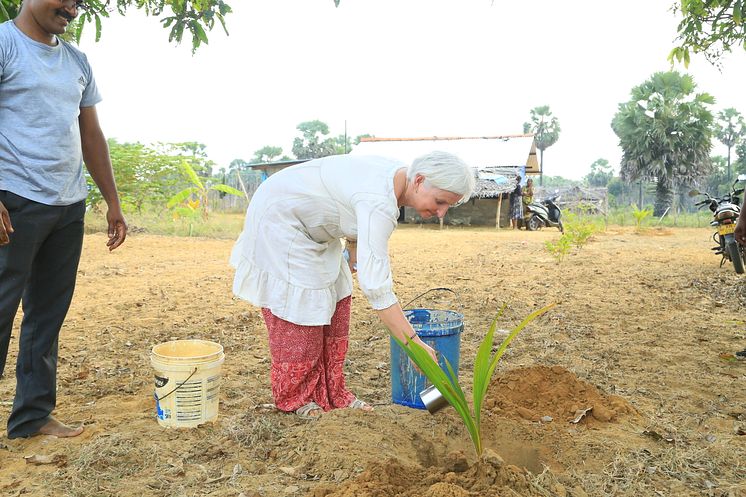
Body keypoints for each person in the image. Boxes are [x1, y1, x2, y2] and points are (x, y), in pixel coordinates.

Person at [230, 151, 475, 419]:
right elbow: (377, 288)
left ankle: (333, 393)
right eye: (440, 201)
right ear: (419, 181)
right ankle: (297, 398)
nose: (441, 213)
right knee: (303, 308)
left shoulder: (396, 177)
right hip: (280, 218)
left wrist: (354, 245)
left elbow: (346, 195)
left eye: (449, 206)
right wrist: (414, 345)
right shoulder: (379, 201)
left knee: (336, 294)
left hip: (317, 227)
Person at [0, 0, 127, 439]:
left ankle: (32, 417)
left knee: (47, 315)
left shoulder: (77, 61)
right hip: (12, 203)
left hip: (68, 206)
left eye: (79, 2)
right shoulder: (4, 44)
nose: (72, 8)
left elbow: (90, 133)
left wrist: (111, 200)